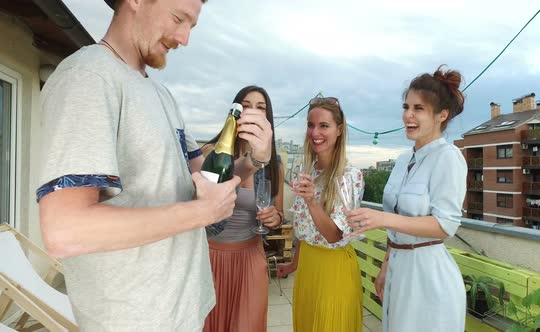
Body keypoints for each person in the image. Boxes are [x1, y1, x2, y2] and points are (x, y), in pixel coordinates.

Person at [36, 0, 273, 330]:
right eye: (179, 18)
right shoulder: (89, 78)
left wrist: (256, 159)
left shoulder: (160, 94)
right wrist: (200, 214)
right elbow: (64, 230)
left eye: (192, 26)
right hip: (136, 320)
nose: (185, 38)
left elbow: (206, 178)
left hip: (182, 310)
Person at [347, 65, 468, 331]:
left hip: (428, 275)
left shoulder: (448, 158)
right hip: (398, 269)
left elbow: (445, 225)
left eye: (419, 109)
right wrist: (385, 266)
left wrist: (382, 218)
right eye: (406, 107)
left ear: (441, 115)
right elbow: (396, 219)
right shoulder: (403, 160)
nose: (408, 116)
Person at [277, 97, 364, 332]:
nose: (315, 132)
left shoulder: (350, 177)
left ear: (339, 130)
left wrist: (312, 201)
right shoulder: (308, 172)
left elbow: (335, 235)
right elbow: (306, 232)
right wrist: (293, 264)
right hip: (307, 268)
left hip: (333, 271)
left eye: (324, 125)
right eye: (310, 124)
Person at [202, 86, 284, 332]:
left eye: (261, 108)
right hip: (210, 257)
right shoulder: (212, 153)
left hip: (250, 259)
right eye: (246, 106)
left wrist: (274, 217)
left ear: (268, 120)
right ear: (236, 113)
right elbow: (198, 207)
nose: (253, 112)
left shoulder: (274, 164)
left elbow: (279, 215)